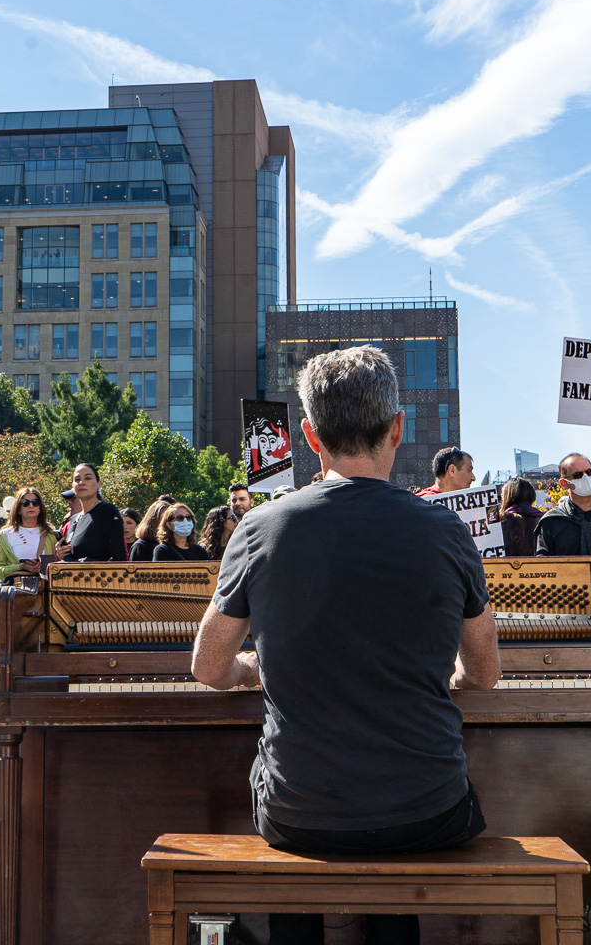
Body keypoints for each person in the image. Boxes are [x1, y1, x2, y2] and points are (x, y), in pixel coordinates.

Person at [193, 345, 497, 945]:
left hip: (300, 812)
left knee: (295, 808)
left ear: (310, 435)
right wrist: (449, 676)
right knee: (403, 821)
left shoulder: (260, 527)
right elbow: (484, 675)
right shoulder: (446, 529)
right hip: (428, 809)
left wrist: (253, 671)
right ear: (397, 428)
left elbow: (207, 666)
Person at [55, 464, 126, 564]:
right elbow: (75, 559)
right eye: (77, 479)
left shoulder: (107, 511)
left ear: (99, 484)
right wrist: (63, 555)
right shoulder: (74, 519)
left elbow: (119, 557)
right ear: (72, 486)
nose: (82, 483)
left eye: (88, 478)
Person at [0, 488, 60, 583]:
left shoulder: (50, 534)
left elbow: (60, 566)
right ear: (18, 509)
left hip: (44, 592)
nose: (31, 506)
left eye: (35, 502)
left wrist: (43, 566)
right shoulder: (6, 534)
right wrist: (20, 567)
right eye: (25, 503)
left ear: (40, 508)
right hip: (18, 593)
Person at [497, 478, 542, 557]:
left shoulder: (499, 522)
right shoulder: (544, 520)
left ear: (506, 497)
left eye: (502, 497)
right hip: (539, 568)